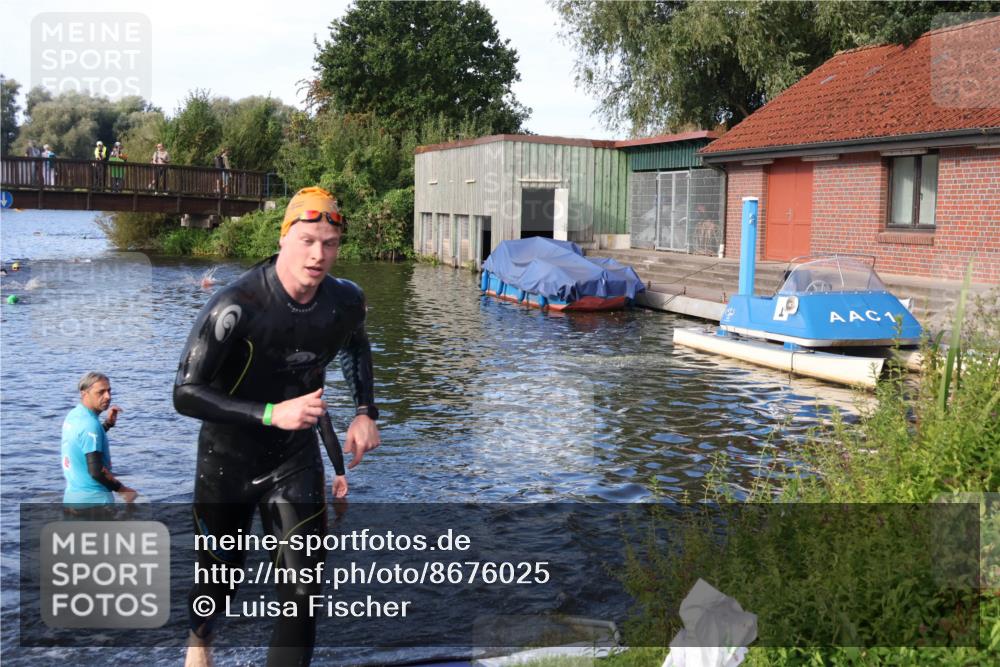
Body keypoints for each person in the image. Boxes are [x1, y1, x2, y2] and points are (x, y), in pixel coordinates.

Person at [174, 186, 381, 667]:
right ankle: (199, 641)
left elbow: (356, 344)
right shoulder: (236, 305)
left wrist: (365, 411)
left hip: (292, 459)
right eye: (308, 241)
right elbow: (184, 392)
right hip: (226, 462)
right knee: (219, 583)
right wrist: (270, 412)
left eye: (329, 244)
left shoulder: (345, 301)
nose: (318, 255)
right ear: (284, 237)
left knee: (303, 592)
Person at [61, 372, 138, 507]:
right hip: (95, 504)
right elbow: (96, 471)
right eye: (101, 392)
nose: (108, 396)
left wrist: (107, 425)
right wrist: (123, 490)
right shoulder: (90, 425)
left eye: (109, 391)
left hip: (72, 500)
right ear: (84, 394)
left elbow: (85, 441)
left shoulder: (74, 415)